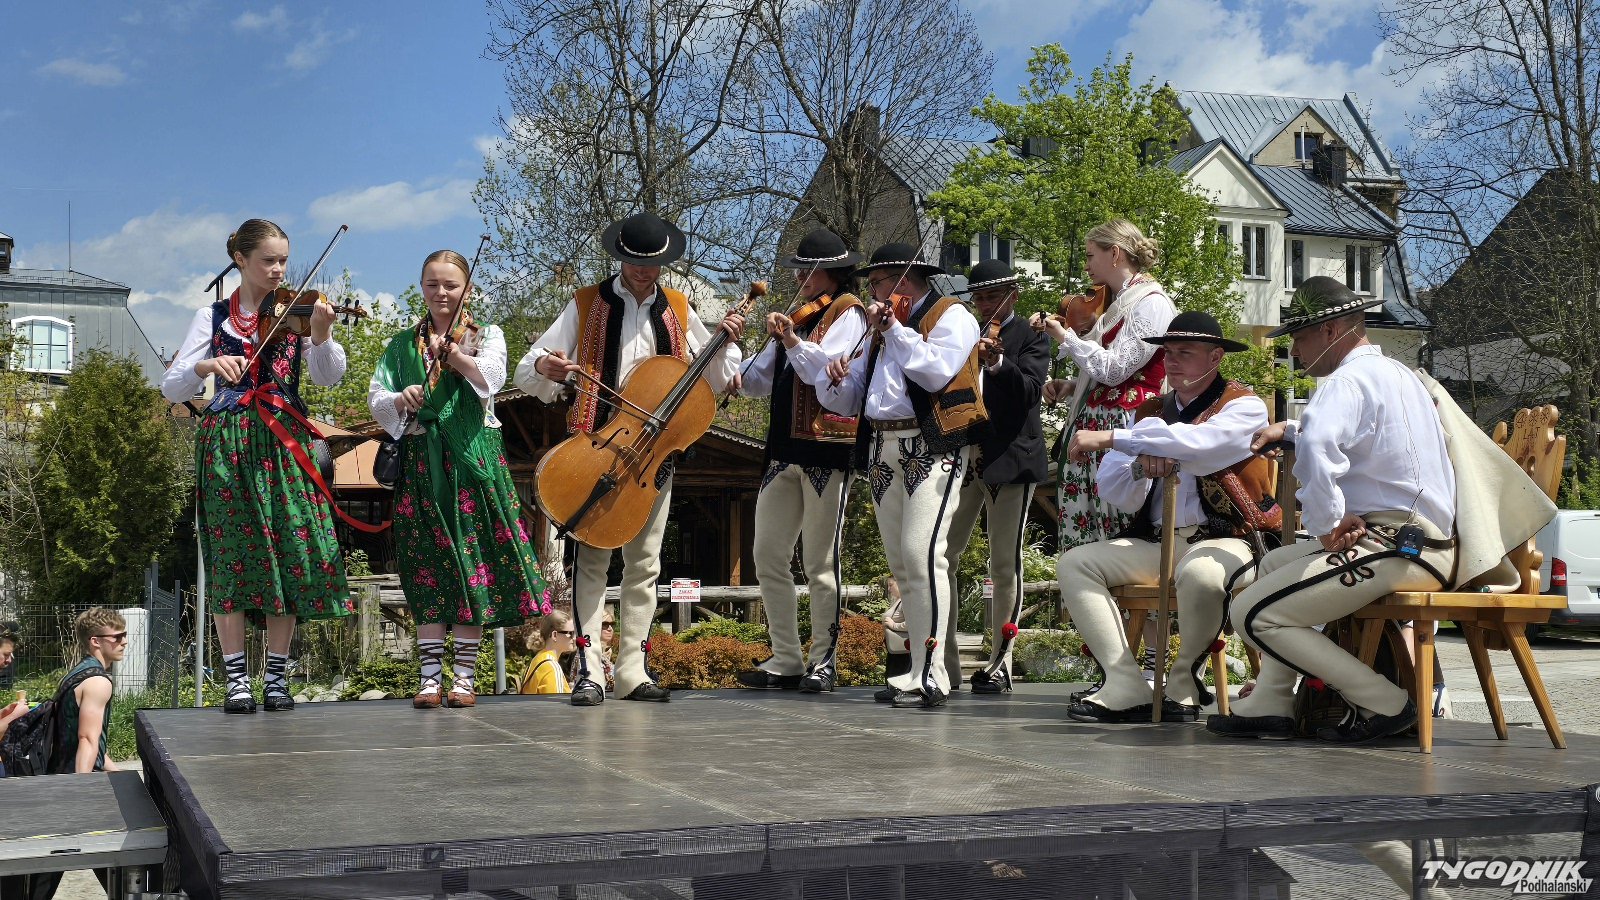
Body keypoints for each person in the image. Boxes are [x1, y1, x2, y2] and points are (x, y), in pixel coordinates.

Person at [1207, 276, 1457, 742]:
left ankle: (1387, 704)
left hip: (1396, 547)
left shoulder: (1345, 381)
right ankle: (1272, 700)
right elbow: (1369, 441)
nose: (1295, 350)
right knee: (1274, 564)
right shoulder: (1400, 374)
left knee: (1252, 613)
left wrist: (1327, 524)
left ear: (1331, 330)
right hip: (1423, 541)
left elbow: (1320, 447)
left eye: (1300, 337)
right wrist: (1291, 431)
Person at [514, 211, 744, 706]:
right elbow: (526, 370)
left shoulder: (679, 307)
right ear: (619, 258)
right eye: (634, 262)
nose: (643, 271)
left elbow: (717, 378)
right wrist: (549, 365)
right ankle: (588, 671)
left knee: (646, 563)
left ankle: (633, 670)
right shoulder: (585, 303)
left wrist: (726, 342)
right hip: (595, 450)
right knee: (591, 563)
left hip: (653, 460)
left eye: (652, 264)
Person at [161, 219, 354, 714]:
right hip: (227, 445)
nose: (279, 269)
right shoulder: (211, 316)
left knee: (287, 552)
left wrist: (322, 334)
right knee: (231, 558)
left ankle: (276, 677)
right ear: (240, 260)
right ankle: (235, 681)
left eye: (283, 260)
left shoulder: (296, 311)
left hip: (283, 444)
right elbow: (172, 386)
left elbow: (327, 378)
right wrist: (206, 366)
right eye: (269, 260)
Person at [1054, 311, 1272, 722]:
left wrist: (1118, 438)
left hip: (1228, 541)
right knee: (1075, 563)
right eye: (1168, 352)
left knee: (1200, 574)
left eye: (1184, 353)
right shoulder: (1150, 410)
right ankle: (1125, 683)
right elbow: (1112, 487)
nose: (1171, 361)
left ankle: (1185, 680)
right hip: (1159, 543)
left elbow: (1202, 445)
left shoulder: (1244, 406)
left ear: (1215, 357)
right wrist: (1140, 466)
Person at [370, 249, 548, 710]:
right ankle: (429, 678)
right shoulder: (401, 345)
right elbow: (377, 398)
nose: (441, 293)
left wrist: (455, 356)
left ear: (466, 289)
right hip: (422, 462)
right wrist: (402, 398)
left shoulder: (484, 335)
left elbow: (492, 378)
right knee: (427, 566)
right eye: (432, 284)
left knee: (473, 565)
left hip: (471, 460)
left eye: (450, 284)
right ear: (422, 287)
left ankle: (464, 678)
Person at [821, 243, 987, 708]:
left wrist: (893, 330)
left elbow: (936, 372)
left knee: (922, 555)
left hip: (931, 444)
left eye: (876, 283)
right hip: (881, 445)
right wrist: (835, 379)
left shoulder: (952, 315)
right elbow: (856, 398)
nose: (871, 292)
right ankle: (916, 668)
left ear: (902, 280)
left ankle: (933, 672)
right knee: (901, 564)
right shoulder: (881, 329)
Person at [734, 228, 867, 694]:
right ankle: (786, 656)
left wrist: (791, 341)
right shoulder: (797, 317)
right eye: (798, 270)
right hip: (782, 451)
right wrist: (729, 365)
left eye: (807, 270)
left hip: (826, 450)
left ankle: (824, 659)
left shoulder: (850, 312)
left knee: (820, 562)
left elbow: (824, 374)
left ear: (831, 272)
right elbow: (759, 381)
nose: (798, 277)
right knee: (767, 554)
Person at [938, 260, 1050, 693]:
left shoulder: (1031, 335)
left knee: (1004, 563)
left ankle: (1001, 662)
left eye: (993, 297)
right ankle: (943, 662)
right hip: (966, 454)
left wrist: (999, 362)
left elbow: (1031, 392)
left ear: (1013, 297)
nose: (985, 305)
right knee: (942, 554)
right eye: (979, 297)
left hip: (1012, 458)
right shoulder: (963, 332)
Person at [520, 610, 576, 695]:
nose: (574, 638)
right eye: (570, 633)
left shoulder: (538, 658)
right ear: (554, 635)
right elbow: (557, 702)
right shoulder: (552, 667)